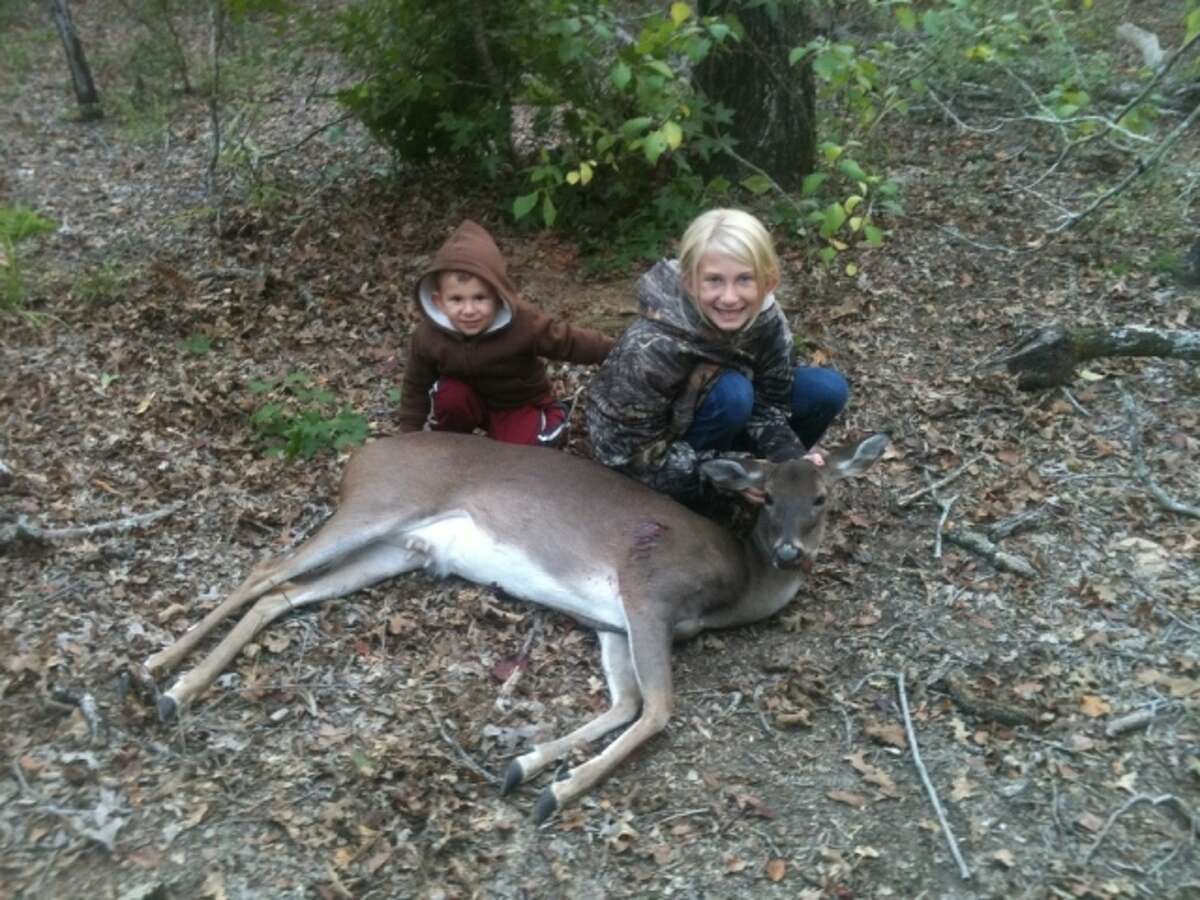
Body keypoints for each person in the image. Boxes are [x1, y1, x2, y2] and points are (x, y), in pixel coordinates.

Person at [585, 208, 849, 507]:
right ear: (689, 283)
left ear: (769, 282)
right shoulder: (649, 346)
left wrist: (787, 455)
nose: (729, 298)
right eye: (713, 280)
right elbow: (624, 456)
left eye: (744, 280)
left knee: (827, 389)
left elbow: (771, 404)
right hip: (656, 455)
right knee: (732, 394)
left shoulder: (767, 321)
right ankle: (705, 504)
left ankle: (778, 485)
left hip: (721, 423)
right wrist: (725, 478)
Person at [398, 220, 613, 446]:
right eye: (457, 300)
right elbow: (416, 384)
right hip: (470, 401)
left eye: (480, 298)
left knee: (521, 452)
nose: (469, 310)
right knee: (450, 395)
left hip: (516, 403)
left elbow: (567, 341)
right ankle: (456, 443)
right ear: (439, 302)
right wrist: (409, 433)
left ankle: (551, 416)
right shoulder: (429, 336)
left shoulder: (523, 324)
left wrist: (613, 350)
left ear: (498, 298)